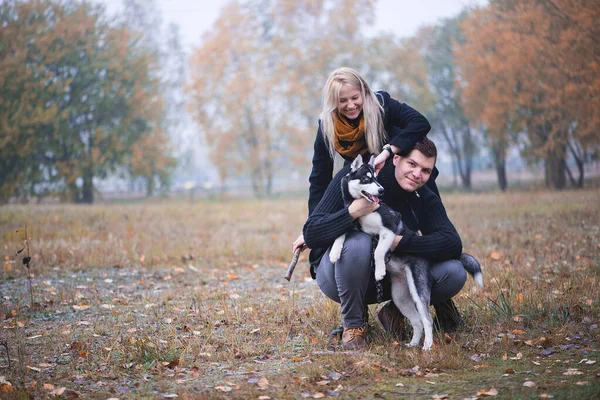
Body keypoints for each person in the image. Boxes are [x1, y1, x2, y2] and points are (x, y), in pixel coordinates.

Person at [303, 137, 467, 349]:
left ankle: (395, 312)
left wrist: (401, 242)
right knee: (357, 244)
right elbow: (311, 231)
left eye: (426, 170)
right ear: (396, 159)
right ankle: (354, 326)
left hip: (392, 276)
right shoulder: (356, 177)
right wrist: (352, 212)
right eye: (412, 164)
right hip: (340, 274)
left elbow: (452, 243)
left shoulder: (423, 195)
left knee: (454, 272)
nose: (417, 174)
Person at [292, 67, 437, 256]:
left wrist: (389, 150)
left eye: (355, 98)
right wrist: (313, 229)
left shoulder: (382, 105)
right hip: (362, 178)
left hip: (399, 175)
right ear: (333, 102)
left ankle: (431, 258)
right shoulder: (327, 125)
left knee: (415, 228)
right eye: (342, 101)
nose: (350, 105)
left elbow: (420, 122)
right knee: (360, 230)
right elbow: (319, 179)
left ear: (364, 92)